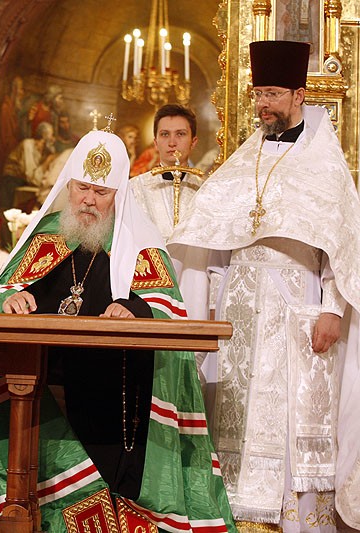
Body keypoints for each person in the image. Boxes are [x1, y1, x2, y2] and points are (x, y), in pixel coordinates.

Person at [0, 130, 235, 532]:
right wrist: (10, 298)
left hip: (107, 394)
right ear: (69, 187)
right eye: (82, 188)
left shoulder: (138, 241)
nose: (89, 200)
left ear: (118, 195)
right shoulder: (46, 234)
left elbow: (167, 309)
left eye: (101, 192)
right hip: (40, 381)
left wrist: (134, 309)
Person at [168, 40, 360, 531]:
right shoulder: (243, 160)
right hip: (239, 308)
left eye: (272, 94)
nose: (263, 105)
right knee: (233, 411)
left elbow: (342, 242)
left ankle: (295, 520)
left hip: (296, 308)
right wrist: (208, 300)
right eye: (258, 95)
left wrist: (334, 309)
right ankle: (235, 516)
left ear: (299, 95)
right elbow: (211, 237)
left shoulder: (324, 163)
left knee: (292, 416)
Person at [131, 104, 208, 320]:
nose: (172, 142)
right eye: (165, 134)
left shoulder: (208, 191)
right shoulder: (134, 189)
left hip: (197, 286)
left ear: (193, 141)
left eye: (180, 134)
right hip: (149, 292)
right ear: (155, 142)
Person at [0, 122, 57, 214]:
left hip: (23, 183)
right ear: (44, 136)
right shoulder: (27, 145)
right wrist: (47, 161)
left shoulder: (44, 152)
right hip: (11, 185)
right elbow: (31, 176)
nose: (53, 139)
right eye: (52, 135)